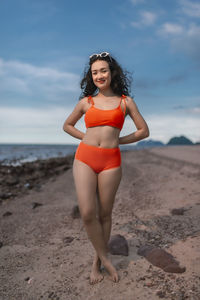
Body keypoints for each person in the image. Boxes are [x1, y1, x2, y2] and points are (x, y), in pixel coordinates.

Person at [63, 52, 149, 284]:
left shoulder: (125, 102)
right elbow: (67, 125)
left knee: (104, 214)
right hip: (85, 158)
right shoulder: (86, 102)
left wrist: (118, 141)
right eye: (94, 72)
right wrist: (86, 138)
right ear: (90, 77)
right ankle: (107, 258)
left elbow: (143, 131)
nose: (99, 75)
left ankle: (97, 263)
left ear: (112, 73)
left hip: (111, 161)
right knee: (88, 213)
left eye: (103, 70)